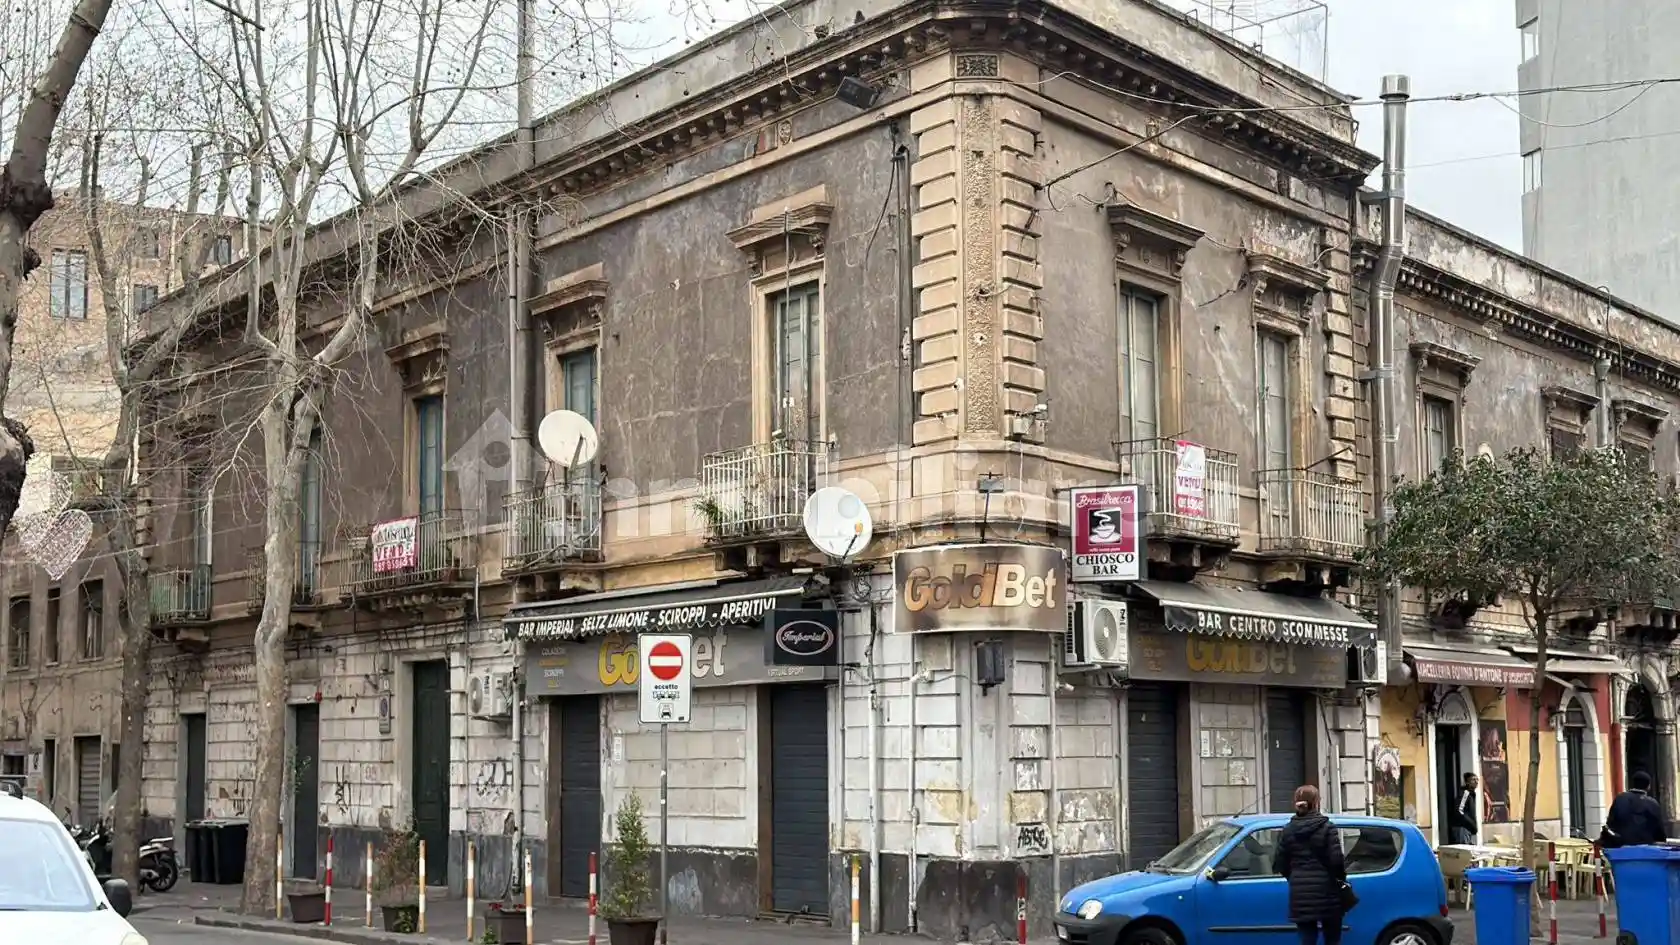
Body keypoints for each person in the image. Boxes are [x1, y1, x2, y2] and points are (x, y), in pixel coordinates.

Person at [1276, 784, 1347, 945]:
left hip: (1300, 894)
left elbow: (1280, 863)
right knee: (1332, 938)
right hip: (1328, 893)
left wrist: (1295, 877)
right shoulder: (1328, 828)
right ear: (1316, 803)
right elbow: (1337, 861)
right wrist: (1341, 880)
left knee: (1307, 938)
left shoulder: (1287, 830)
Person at [1600, 771, 1668, 848]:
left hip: (1620, 846)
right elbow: (1659, 831)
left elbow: (1610, 823)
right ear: (1648, 786)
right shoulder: (1652, 804)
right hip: (1645, 848)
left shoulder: (1620, 799)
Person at [1448, 773, 1479, 845]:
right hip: (1462, 827)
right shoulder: (1465, 793)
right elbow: (1459, 810)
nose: (1476, 782)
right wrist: (1471, 823)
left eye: (1477, 779)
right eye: (1473, 780)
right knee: (1463, 849)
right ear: (1467, 782)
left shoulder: (1471, 794)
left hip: (1467, 829)